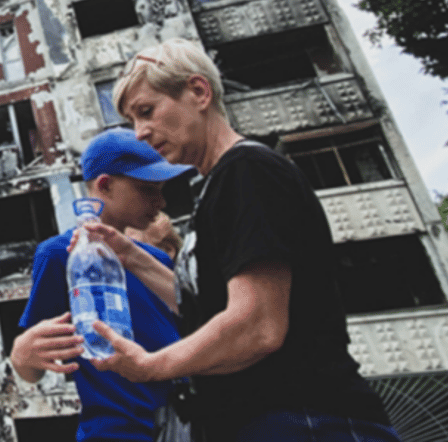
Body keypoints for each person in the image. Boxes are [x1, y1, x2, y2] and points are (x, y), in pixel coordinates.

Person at [90, 38, 399, 442]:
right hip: (256, 422)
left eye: (146, 112)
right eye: (133, 121)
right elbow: (202, 304)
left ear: (198, 92)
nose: (141, 133)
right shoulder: (217, 186)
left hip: (304, 419)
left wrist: (153, 365)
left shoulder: (248, 171)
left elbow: (258, 325)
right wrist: (129, 254)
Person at [12, 128, 194, 442]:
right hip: (119, 431)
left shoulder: (156, 261)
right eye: (147, 189)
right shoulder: (59, 255)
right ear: (106, 185)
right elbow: (34, 363)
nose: (160, 201)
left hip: (188, 423)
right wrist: (21, 356)